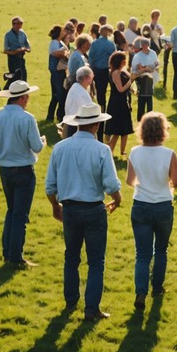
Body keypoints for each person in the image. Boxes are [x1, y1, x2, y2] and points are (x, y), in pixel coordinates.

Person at [45, 102, 122, 321]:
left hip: (69, 208)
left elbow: (50, 186)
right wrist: (118, 200)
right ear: (97, 125)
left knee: (71, 256)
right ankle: (91, 309)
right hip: (94, 209)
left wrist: (55, 206)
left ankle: (70, 302)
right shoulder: (101, 149)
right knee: (96, 261)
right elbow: (111, 185)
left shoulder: (60, 148)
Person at [0, 80, 46, 267]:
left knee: (12, 210)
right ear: (22, 98)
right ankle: (16, 257)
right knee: (20, 215)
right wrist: (43, 141)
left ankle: (7, 252)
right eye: (28, 97)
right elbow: (36, 146)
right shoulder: (27, 118)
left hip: (5, 170)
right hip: (24, 170)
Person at [127, 112, 177, 307]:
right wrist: (167, 181)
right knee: (161, 250)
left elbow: (129, 181)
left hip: (141, 204)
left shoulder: (134, 152)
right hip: (163, 205)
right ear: (162, 130)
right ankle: (156, 287)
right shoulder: (169, 154)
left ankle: (140, 292)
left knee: (142, 254)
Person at [105, 51, 134, 156]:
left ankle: (122, 151)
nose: (125, 62)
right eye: (124, 60)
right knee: (117, 130)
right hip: (117, 103)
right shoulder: (115, 73)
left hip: (123, 102)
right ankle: (109, 149)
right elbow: (120, 89)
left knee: (125, 129)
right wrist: (130, 81)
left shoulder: (122, 71)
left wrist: (131, 88)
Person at [88, 24, 116, 112]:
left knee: (100, 91)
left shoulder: (94, 43)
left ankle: (101, 108)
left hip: (96, 69)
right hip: (107, 70)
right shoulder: (110, 44)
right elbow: (114, 57)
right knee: (110, 90)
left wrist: (92, 68)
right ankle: (108, 109)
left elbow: (91, 57)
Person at [131, 37, 159, 120]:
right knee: (142, 98)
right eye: (143, 45)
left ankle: (150, 118)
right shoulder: (138, 56)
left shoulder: (153, 53)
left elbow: (156, 63)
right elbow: (136, 68)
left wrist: (151, 67)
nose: (145, 46)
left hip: (151, 78)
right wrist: (144, 69)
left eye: (146, 44)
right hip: (141, 78)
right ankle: (140, 118)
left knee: (149, 98)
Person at [46, 25, 69, 122]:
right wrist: (64, 54)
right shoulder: (55, 42)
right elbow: (54, 53)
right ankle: (60, 115)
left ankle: (51, 116)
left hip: (60, 70)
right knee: (60, 94)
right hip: (57, 71)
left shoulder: (60, 42)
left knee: (56, 95)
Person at [64, 66, 94, 137]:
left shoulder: (77, 87)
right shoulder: (79, 91)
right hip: (76, 125)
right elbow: (87, 109)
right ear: (86, 78)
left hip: (75, 122)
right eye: (91, 76)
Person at [3, 16, 31, 81]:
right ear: (13, 24)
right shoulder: (8, 35)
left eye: (21, 23)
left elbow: (28, 46)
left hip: (21, 59)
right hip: (12, 60)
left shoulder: (23, 33)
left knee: (23, 76)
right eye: (18, 23)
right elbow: (5, 50)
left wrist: (25, 49)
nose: (20, 25)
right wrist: (14, 52)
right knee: (14, 78)